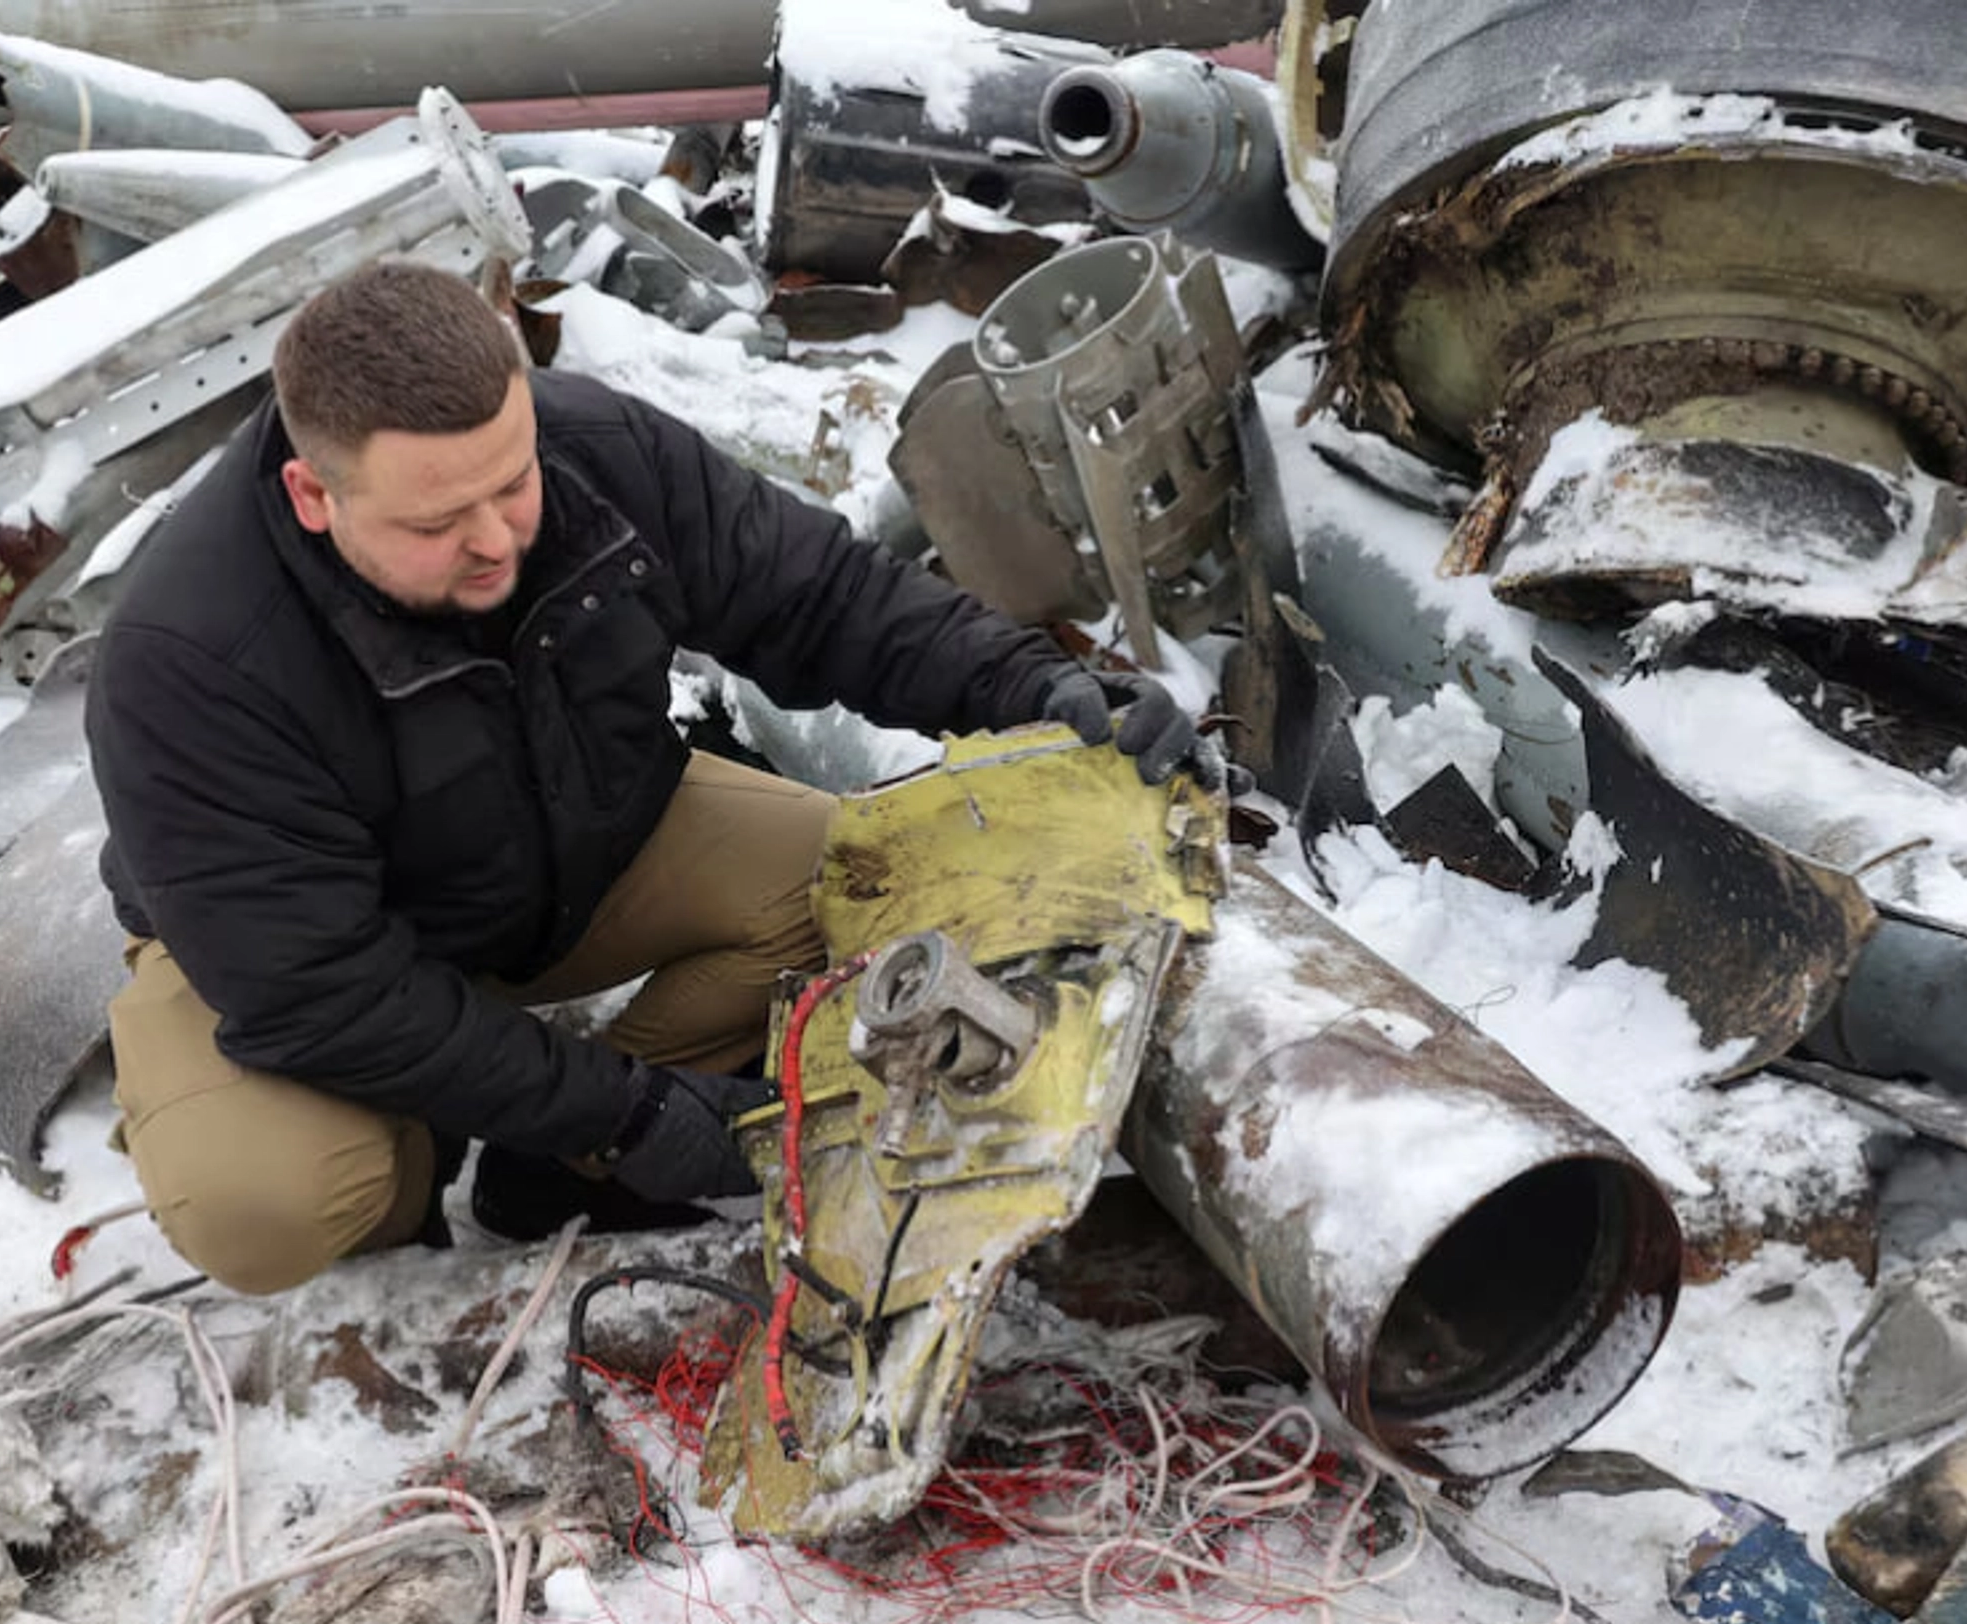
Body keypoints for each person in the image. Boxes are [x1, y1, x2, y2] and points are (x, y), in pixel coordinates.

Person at [84, 259, 1204, 1296]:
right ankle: (418, 1156)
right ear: (313, 495)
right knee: (271, 1203)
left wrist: (1038, 687)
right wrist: (630, 1114)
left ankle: (553, 1166)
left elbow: (822, 597)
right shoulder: (188, 657)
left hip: (578, 844)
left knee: (880, 884)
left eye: (512, 482)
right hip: (303, 954)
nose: (498, 540)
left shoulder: (598, 455)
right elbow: (317, 992)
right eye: (437, 521)